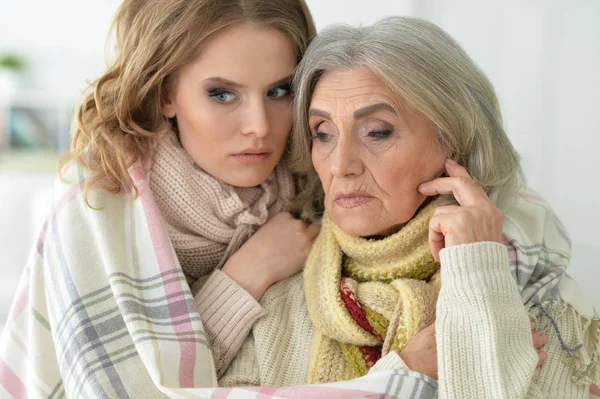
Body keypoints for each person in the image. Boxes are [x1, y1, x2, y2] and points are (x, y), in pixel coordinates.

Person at [219, 16, 600, 398]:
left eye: (377, 132)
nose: (340, 165)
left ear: (451, 139)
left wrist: (478, 267)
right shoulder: (278, 300)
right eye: (323, 134)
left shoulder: (531, 290)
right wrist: (403, 375)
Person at [0, 0, 336, 397]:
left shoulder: (317, 183)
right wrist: (249, 273)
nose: (259, 127)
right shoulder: (98, 198)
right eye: (223, 94)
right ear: (165, 94)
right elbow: (126, 389)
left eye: (279, 90)